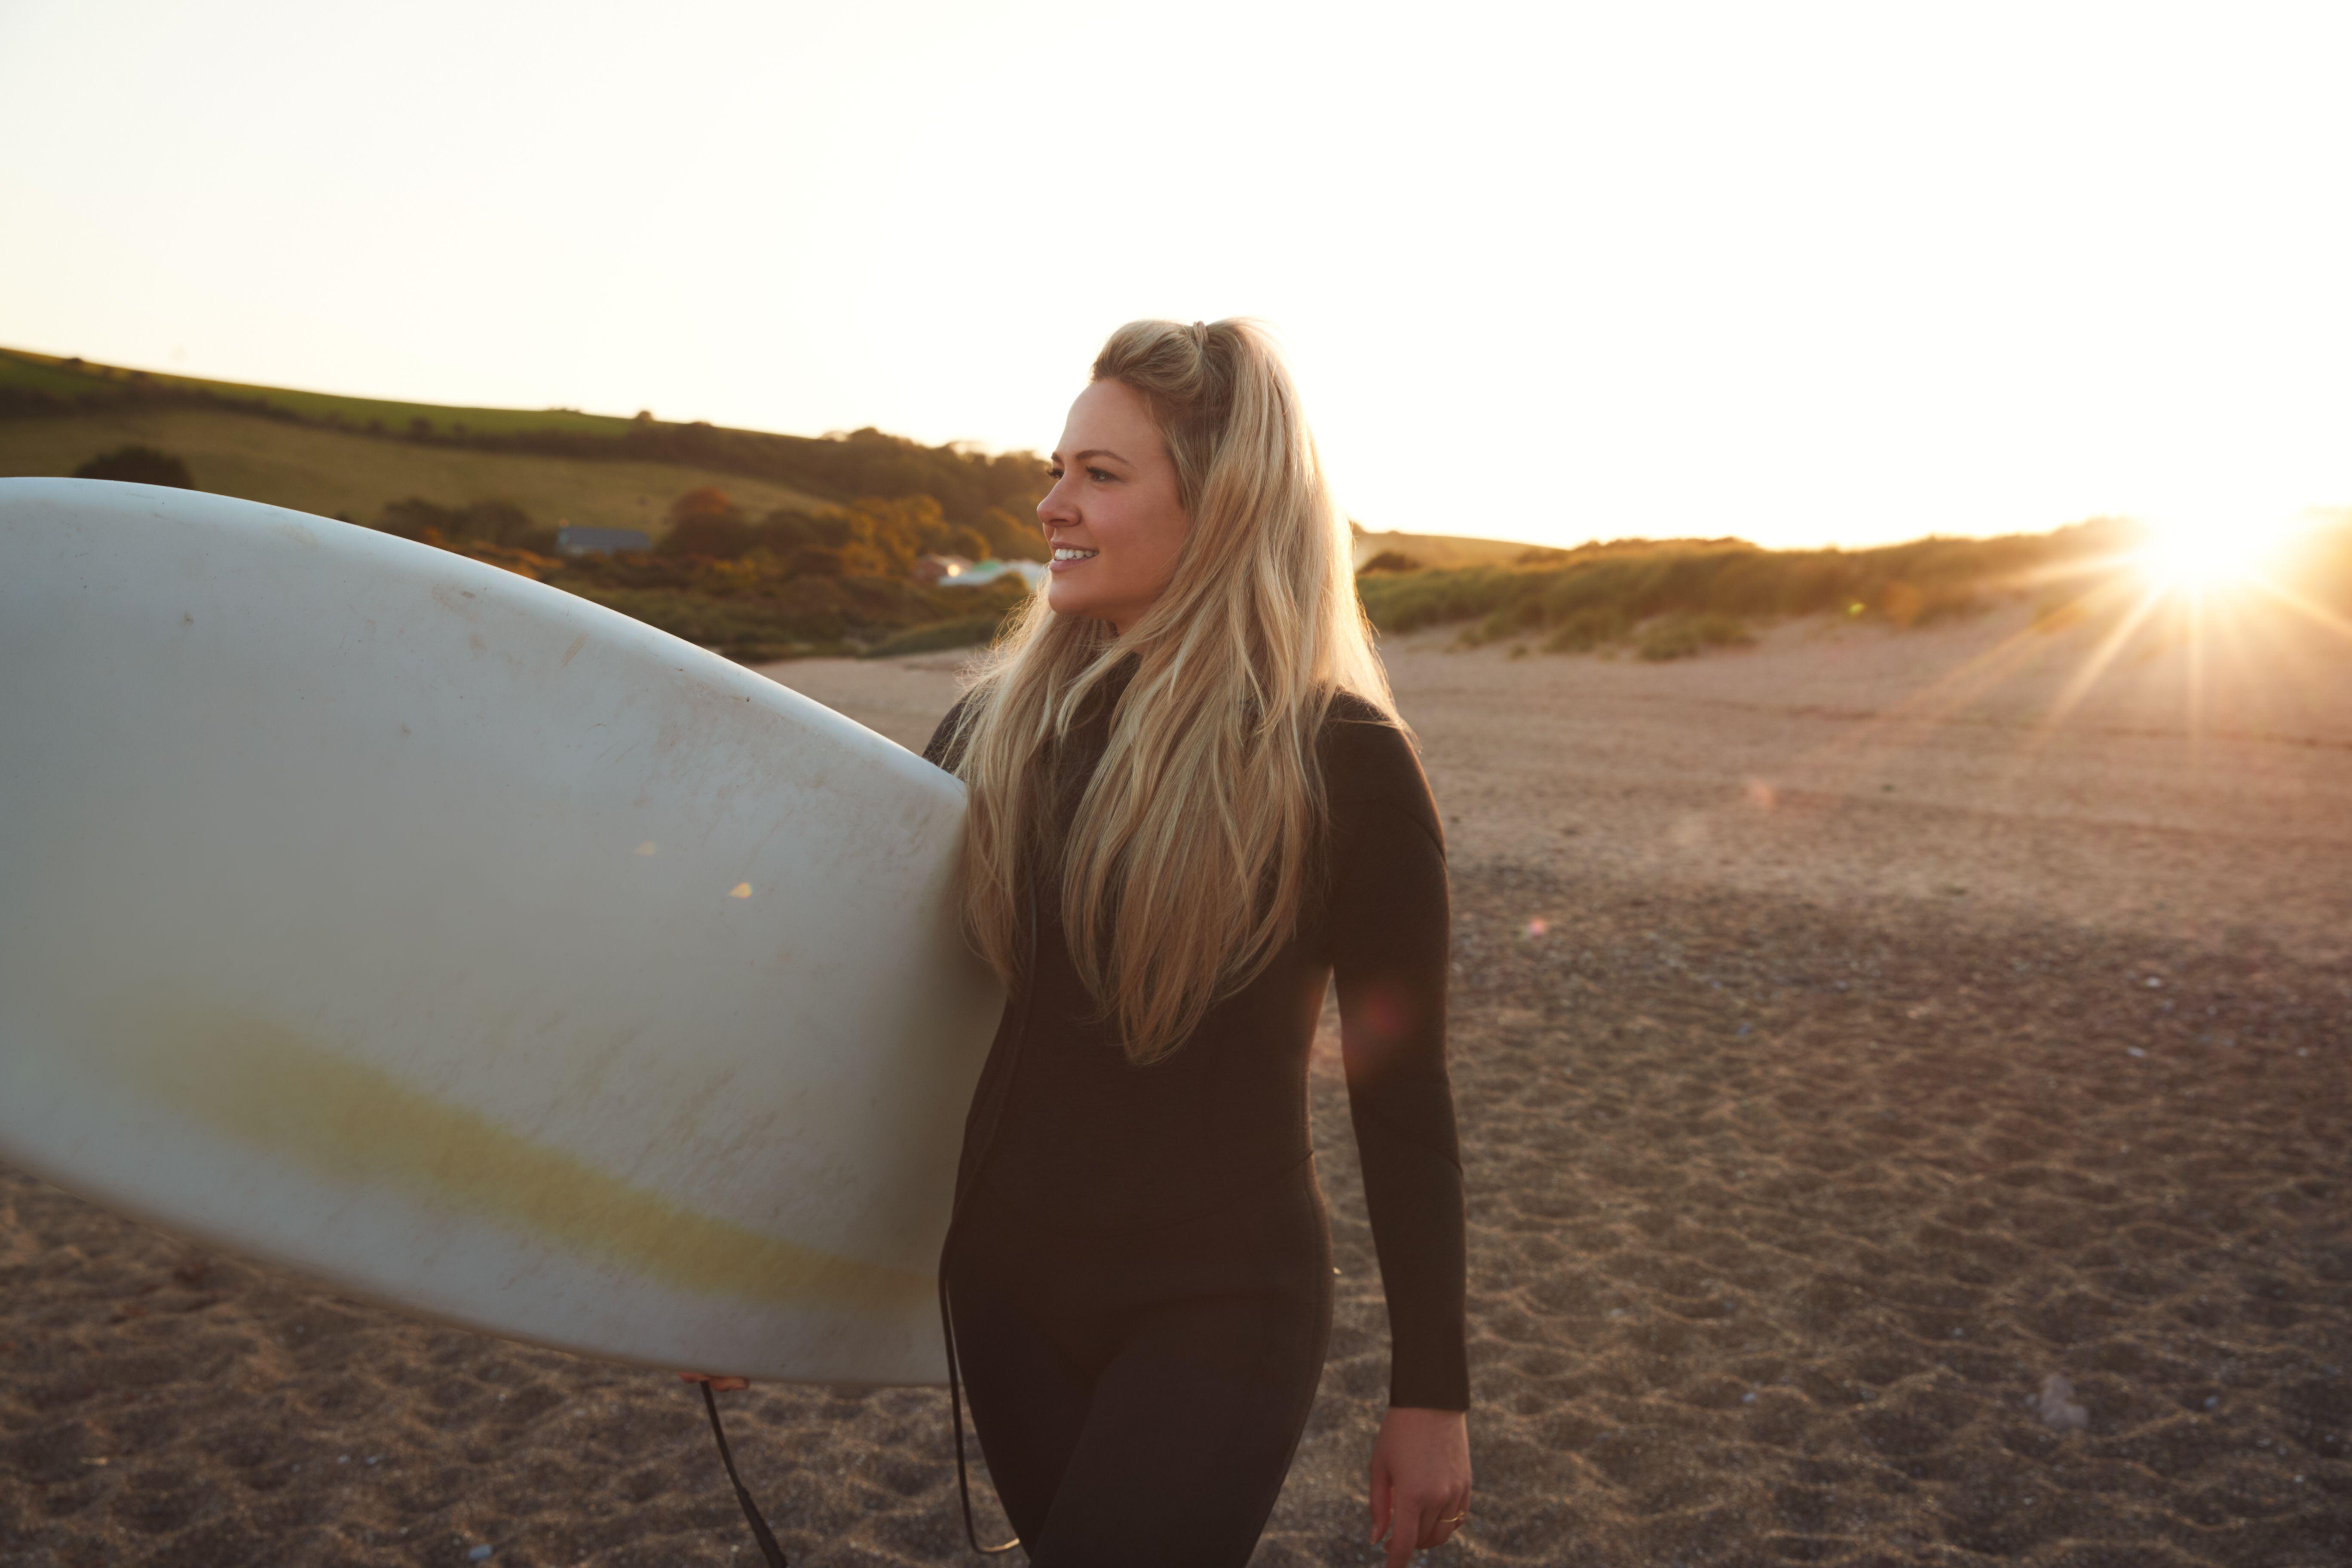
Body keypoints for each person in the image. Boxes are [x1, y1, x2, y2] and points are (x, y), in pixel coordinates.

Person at [917, 318, 1472, 1568]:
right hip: (1000, 1301)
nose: (1054, 505)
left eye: (1100, 476)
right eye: (1056, 470)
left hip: (1219, 1307)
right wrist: (743, 1278)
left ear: (1222, 508)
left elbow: (1403, 1094)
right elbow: (876, 1015)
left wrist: (1432, 1395)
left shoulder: (1343, 766)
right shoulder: (990, 737)